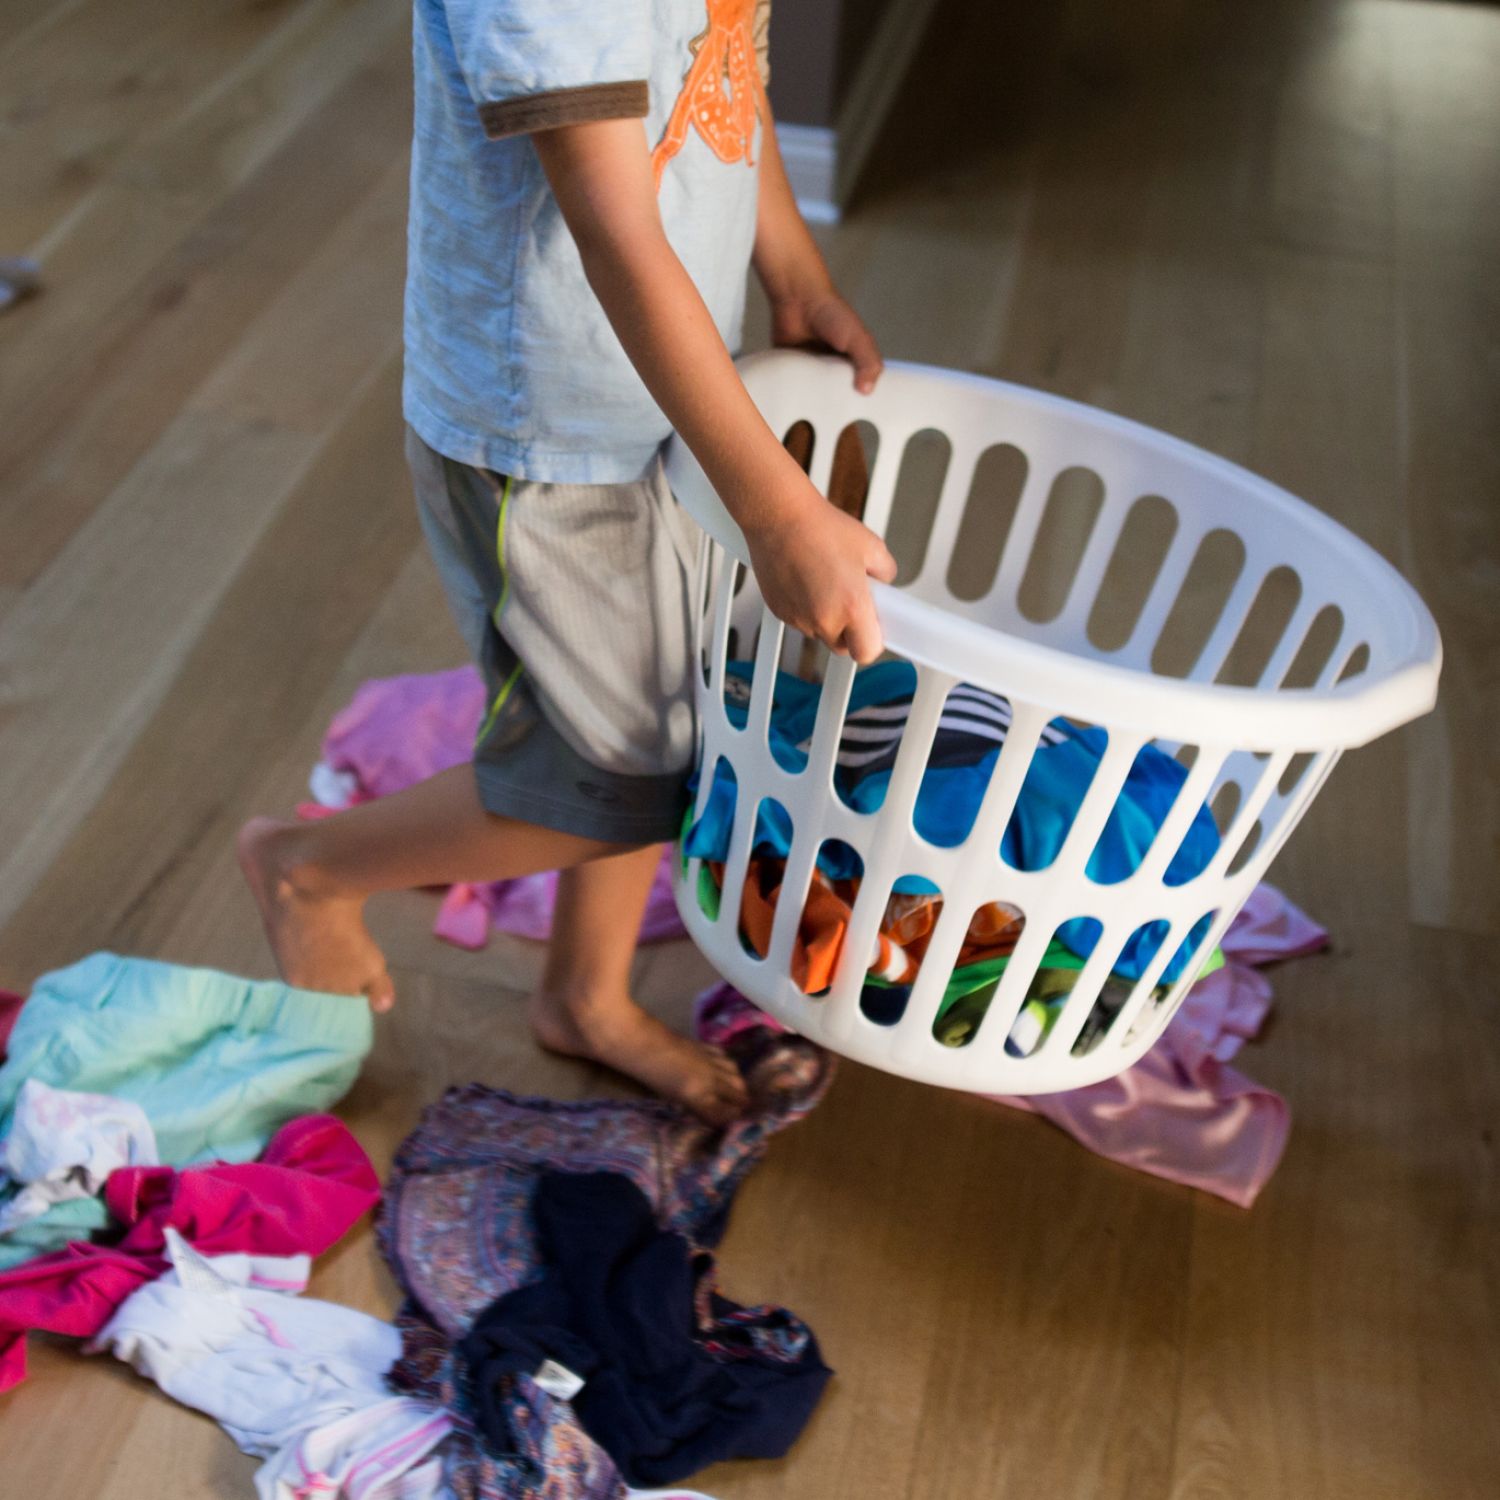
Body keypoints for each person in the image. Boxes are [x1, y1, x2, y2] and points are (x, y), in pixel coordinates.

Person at [239, 0, 895, 1123]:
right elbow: (613, 231)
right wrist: (776, 510)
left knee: (662, 713)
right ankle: (308, 867)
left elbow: (727, 63)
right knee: (607, 787)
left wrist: (791, 271)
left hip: (672, 398)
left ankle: (582, 996)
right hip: (548, 430)